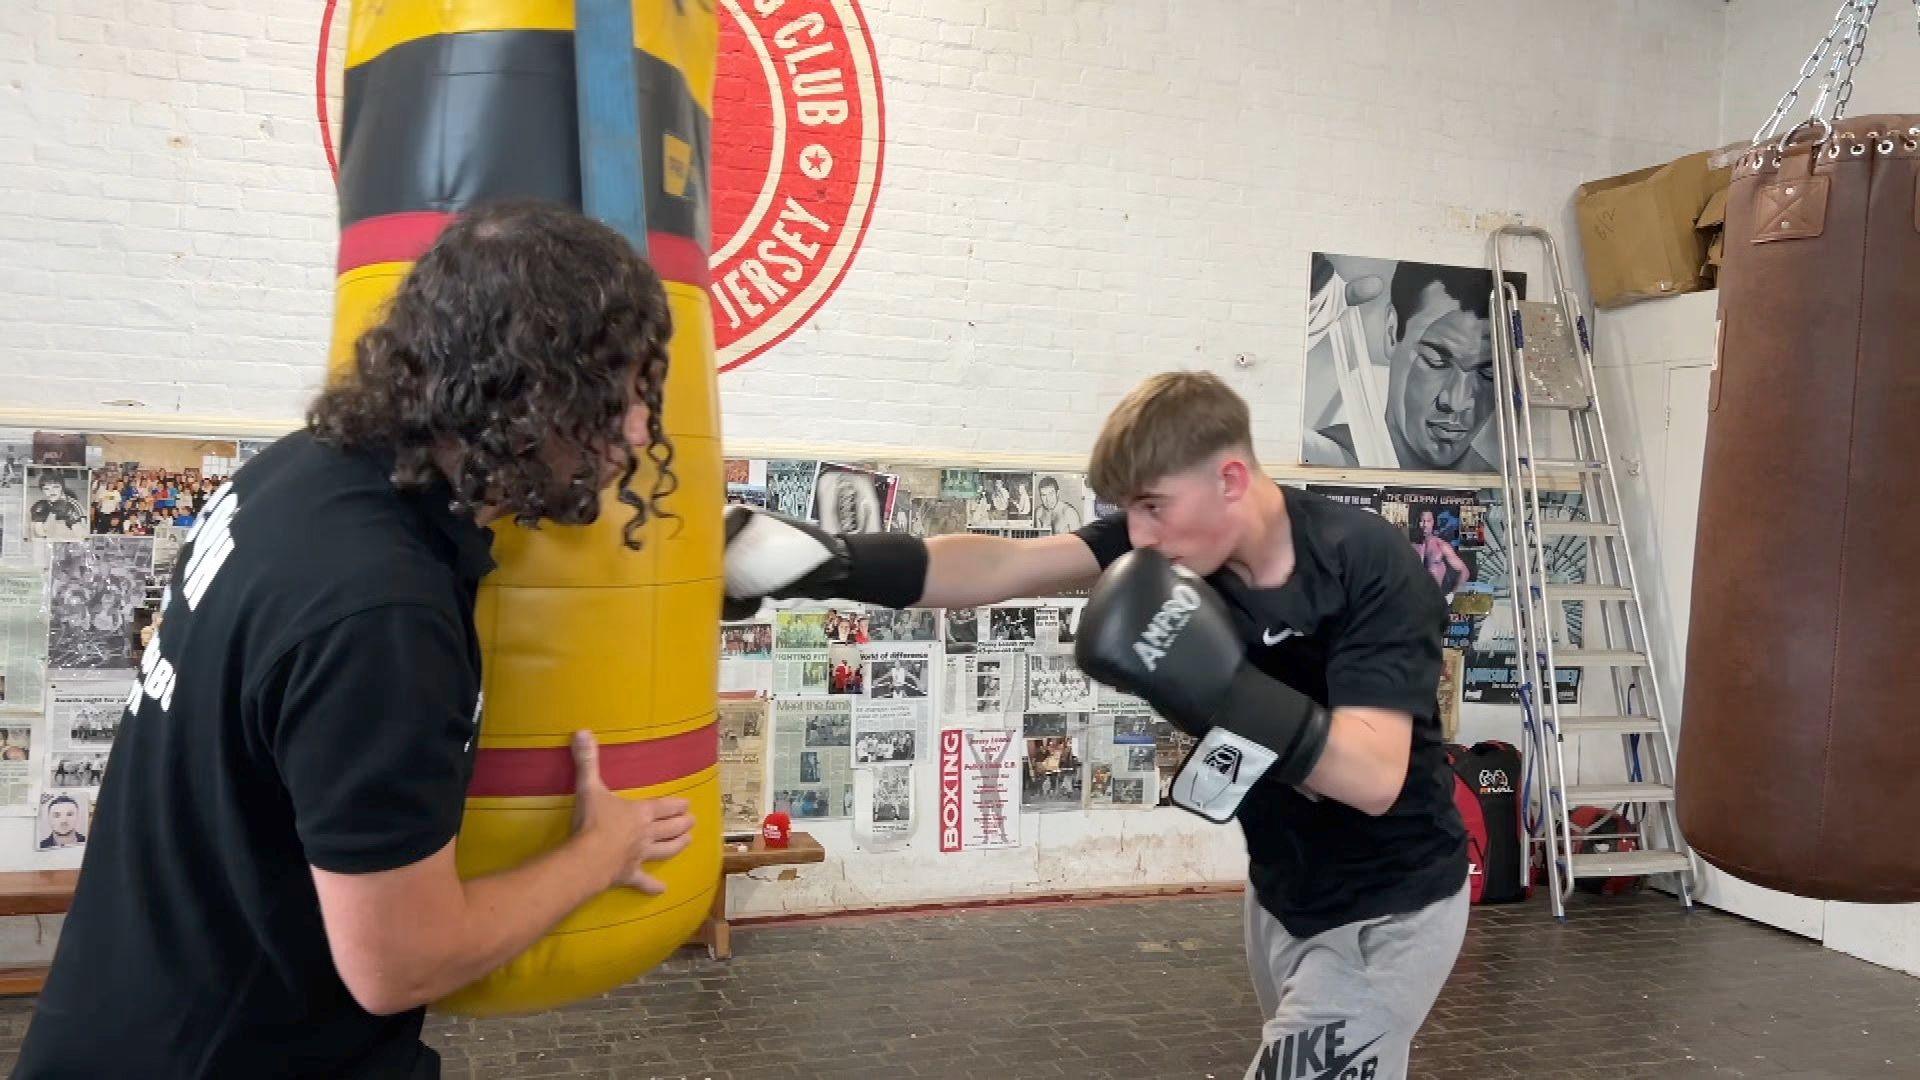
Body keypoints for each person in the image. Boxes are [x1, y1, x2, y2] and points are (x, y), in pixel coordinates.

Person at [15, 201, 698, 1079]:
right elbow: (399, 965)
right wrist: (600, 852)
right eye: (617, 395)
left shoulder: (299, 472)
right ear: (529, 390)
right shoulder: (383, 617)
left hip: (131, 1015)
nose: (640, 432)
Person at [723, 370, 1466, 1080]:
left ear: (1230, 480)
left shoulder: (1366, 564)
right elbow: (1004, 566)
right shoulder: (1177, 542)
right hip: (1283, 892)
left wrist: (1223, 687)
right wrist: (832, 564)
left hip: (1388, 906)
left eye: (1152, 507)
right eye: (1127, 511)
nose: (1137, 538)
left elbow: (1372, 778)